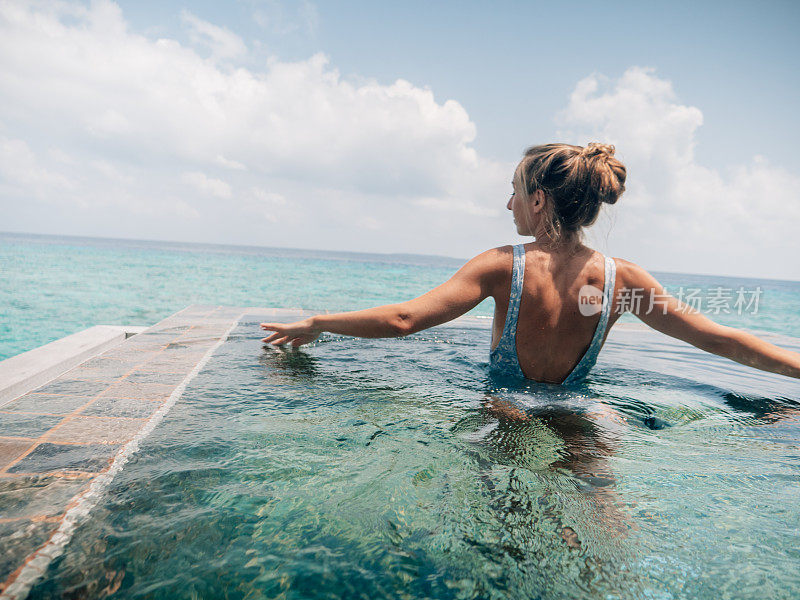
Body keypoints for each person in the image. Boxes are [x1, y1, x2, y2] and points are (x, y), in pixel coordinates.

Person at [261, 143, 800, 384]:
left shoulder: (500, 266)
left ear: (538, 199)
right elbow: (718, 339)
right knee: (601, 525)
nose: (508, 204)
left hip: (506, 413)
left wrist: (318, 322)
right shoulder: (623, 282)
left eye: (514, 192)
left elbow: (406, 319)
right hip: (582, 421)